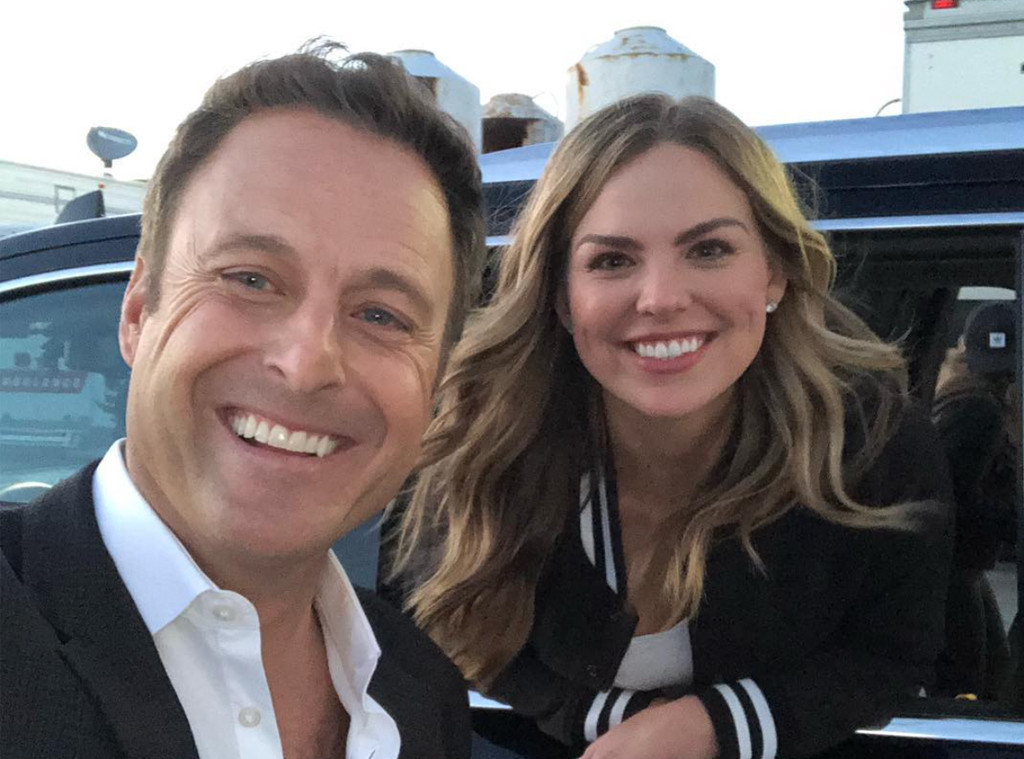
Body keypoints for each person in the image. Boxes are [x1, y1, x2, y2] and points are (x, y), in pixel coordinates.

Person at [386, 95, 953, 759]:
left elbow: (892, 657)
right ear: (561, 294)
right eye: (612, 260)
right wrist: (597, 717)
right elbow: (430, 628)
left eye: (709, 249)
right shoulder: (485, 439)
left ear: (773, 272)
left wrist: (711, 726)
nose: (661, 298)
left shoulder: (870, 443)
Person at [0, 42, 485, 759]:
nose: (306, 364)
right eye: (250, 279)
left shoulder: (422, 693)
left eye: (381, 315)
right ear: (138, 309)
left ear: (436, 385)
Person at [933, 302, 1018, 700]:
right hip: (958, 567)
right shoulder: (982, 411)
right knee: (969, 690)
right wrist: (1010, 520)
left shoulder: (957, 397)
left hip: (959, 566)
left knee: (989, 678)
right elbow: (959, 496)